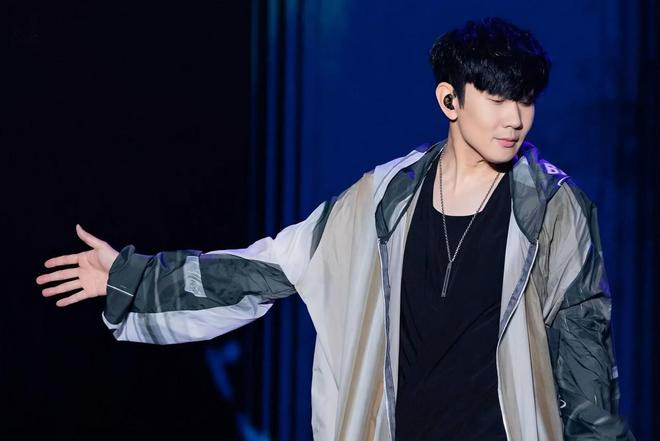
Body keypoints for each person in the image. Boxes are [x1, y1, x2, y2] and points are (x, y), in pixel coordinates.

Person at [36, 17, 635, 441]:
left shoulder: (555, 208)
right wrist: (132, 277)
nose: (515, 118)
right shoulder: (383, 200)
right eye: (497, 98)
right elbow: (266, 267)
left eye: (525, 100)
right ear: (449, 101)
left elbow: (584, 349)